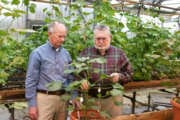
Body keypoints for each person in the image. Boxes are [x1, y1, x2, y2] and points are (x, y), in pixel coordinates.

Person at [80, 25, 133, 118]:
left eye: (104, 38)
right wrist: (82, 80)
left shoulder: (119, 53)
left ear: (110, 38)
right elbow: (77, 73)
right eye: (98, 38)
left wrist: (119, 77)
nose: (101, 41)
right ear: (94, 39)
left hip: (112, 98)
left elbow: (130, 74)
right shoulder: (86, 53)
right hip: (90, 97)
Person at [25, 21, 73, 120]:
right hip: (44, 99)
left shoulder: (66, 54)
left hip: (63, 98)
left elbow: (70, 77)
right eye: (60, 36)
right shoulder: (38, 53)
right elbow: (31, 80)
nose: (63, 39)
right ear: (49, 34)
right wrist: (32, 105)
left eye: (64, 36)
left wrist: (73, 96)